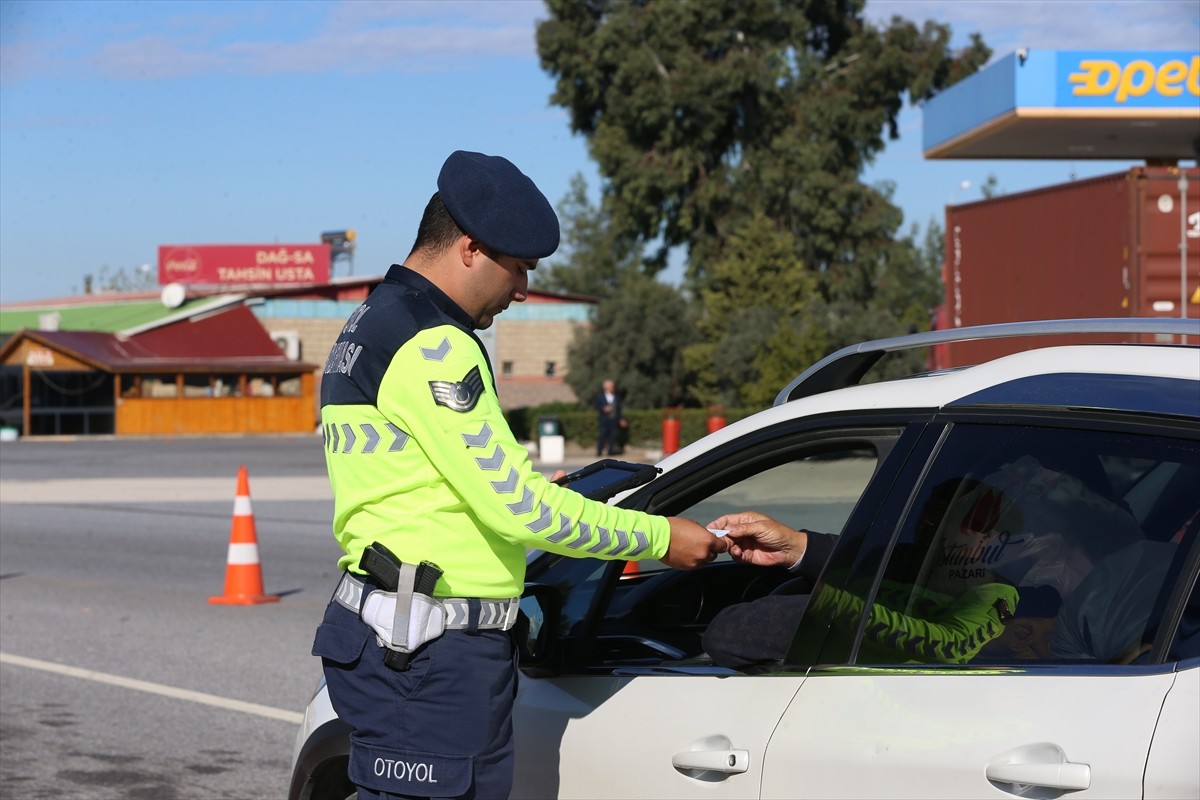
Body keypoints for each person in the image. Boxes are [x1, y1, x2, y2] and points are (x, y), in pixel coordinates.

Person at [311, 150, 726, 800]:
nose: (525, 289)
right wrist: (659, 538)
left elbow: (431, 484)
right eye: (520, 267)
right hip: (432, 659)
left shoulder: (369, 322)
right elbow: (520, 511)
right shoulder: (435, 345)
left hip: (392, 641)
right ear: (471, 248)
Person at [593, 378, 626, 456]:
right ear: (606, 387)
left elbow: (619, 409)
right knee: (602, 435)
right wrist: (603, 408)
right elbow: (596, 405)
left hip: (613, 419)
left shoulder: (617, 396)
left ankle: (610, 450)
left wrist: (621, 419)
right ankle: (599, 450)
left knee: (613, 435)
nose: (612, 387)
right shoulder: (600, 396)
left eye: (613, 386)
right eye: (610, 386)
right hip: (604, 419)